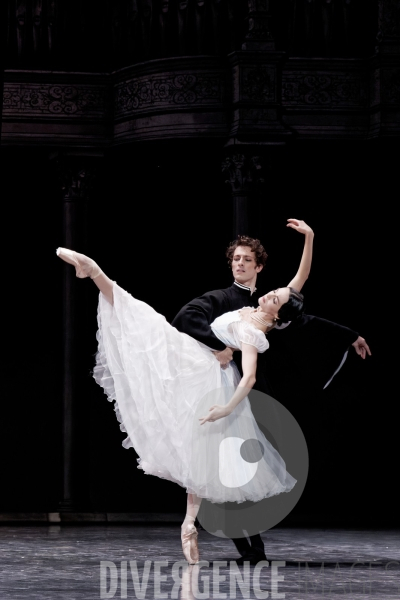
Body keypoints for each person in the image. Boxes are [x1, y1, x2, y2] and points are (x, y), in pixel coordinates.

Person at [56, 219, 312, 566]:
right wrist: (309, 238)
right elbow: (298, 282)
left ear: (276, 311)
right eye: (235, 258)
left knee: (149, 330)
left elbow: (248, 377)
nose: (271, 292)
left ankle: (98, 275)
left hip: (208, 373)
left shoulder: (255, 330)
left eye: (246, 260)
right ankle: (191, 524)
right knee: (149, 331)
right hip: (201, 362)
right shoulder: (254, 307)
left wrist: (225, 400)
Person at [171, 222, 371, 563]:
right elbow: (186, 317)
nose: (239, 264)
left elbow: (306, 304)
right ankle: (236, 542)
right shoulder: (222, 297)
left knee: (242, 472)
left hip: (247, 392)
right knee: (222, 470)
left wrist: (349, 334)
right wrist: (221, 346)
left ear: (259, 266)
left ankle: (251, 548)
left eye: (247, 260)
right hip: (220, 388)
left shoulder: (273, 303)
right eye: (235, 259)